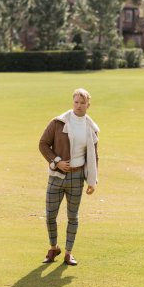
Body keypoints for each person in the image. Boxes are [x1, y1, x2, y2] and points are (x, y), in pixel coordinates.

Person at [39, 88, 99, 266]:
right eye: (76, 102)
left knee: (73, 216)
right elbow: (43, 144)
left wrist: (92, 181)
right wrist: (56, 161)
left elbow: (94, 157)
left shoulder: (91, 128)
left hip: (77, 177)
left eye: (82, 103)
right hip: (56, 176)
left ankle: (68, 253)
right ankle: (53, 247)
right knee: (50, 215)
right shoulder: (58, 123)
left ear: (88, 105)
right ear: (72, 102)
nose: (78, 106)